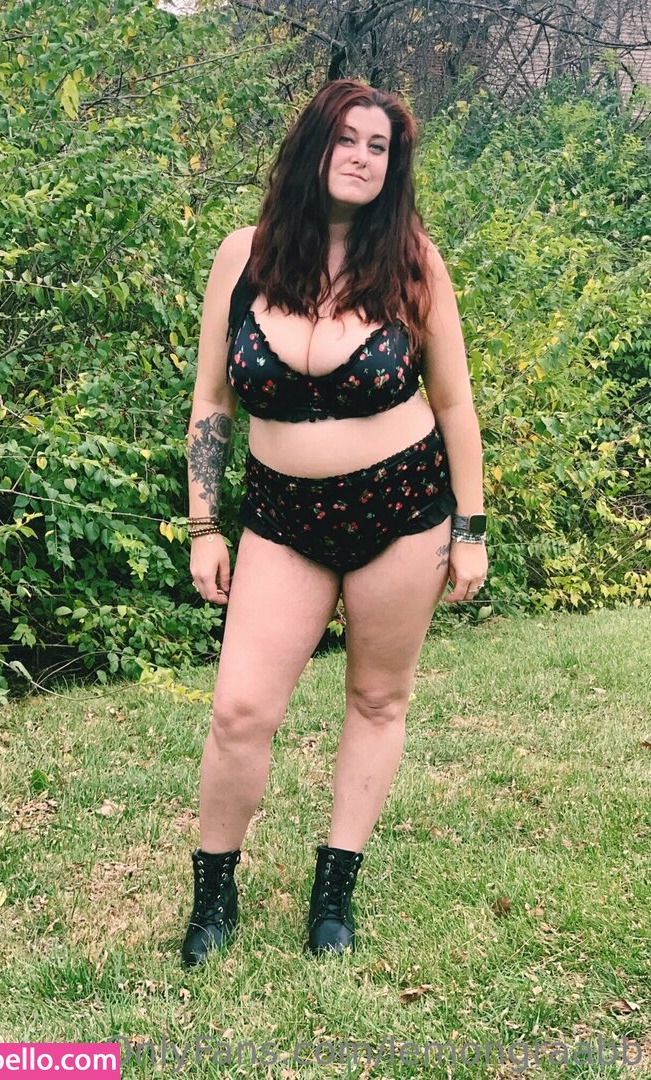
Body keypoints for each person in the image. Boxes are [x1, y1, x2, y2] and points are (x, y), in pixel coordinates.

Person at [181, 78, 488, 968]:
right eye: (346, 138)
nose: (360, 156)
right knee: (240, 710)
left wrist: (469, 527)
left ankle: (333, 893)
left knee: (377, 699)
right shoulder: (243, 257)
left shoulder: (413, 263)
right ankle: (213, 895)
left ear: (393, 166)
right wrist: (204, 525)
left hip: (403, 511)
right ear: (312, 147)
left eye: (377, 146)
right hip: (281, 519)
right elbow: (211, 402)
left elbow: (454, 402)